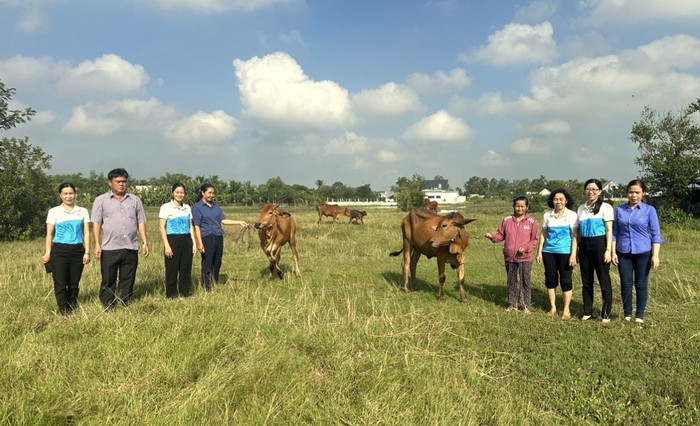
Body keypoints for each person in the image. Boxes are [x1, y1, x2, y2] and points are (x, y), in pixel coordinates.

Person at [92, 168, 149, 310]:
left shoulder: (135, 200)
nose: (121, 184)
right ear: (110, 183)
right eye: (118, 181)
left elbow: (141, 221)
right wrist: (97, 244)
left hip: (130, 246)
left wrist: (145, 242)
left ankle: (125, 301)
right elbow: (96, 223)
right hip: (109, 247)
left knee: (128, 277)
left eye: (124, 181)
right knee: (108, 278)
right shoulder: (101, 200)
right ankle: (108, 303)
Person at [612, 179, 663, 325]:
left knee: (641, 284)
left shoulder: (649, 210)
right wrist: (613, 252)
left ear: (643, 193)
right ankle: (627, 314)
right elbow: (615, 232)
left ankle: (639, 316)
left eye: (637, 192)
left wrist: (655, 255)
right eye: (630, 192)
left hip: (643, 252)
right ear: (627, 193)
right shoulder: (619, 210)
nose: (633, 195)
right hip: (623, 251)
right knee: (626, 283)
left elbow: (656, 234)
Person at [41, 183, 91, 315]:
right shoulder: (54, 211)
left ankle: (72, 307)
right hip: (59, 250)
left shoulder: (82, 211)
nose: (68, 196)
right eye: (65, 194)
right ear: (60, 195)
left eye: (71, 193)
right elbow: (49, 234)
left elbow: (86, 232)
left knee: (74, 283)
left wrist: (87, 252)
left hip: (77, 250)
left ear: (75, 194)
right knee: (60, 283)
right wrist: (48, 253)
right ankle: (64, 312)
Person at [485, 196, 539, 314]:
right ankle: (512, 304)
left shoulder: (531, 222)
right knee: (511, 280)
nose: (519, 208)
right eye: (517, 206)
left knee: (525, 281)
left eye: (522, 206)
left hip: (525, 257)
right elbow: (500, 235)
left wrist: (525, 248)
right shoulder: (507, 220)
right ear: (514, 207)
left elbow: (534, 239)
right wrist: (492, 237)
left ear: (527, 207)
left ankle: (525, 305)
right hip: (510, 257)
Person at [192, 183, 248, 292]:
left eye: (213, 193)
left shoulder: (215, 206)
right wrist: (199, 243)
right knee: (207, 262)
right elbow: (197, 227)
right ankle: (206, 288)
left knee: (217, 262)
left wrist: (239, 222)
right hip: (207, 236)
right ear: (203, 193)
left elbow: (223, 220)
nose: (211, 195)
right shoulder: (197, 207)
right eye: (209, 193)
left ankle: (214, 283)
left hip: (218, 235)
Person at [536, 189, 578, 320]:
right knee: (550, 279)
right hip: (548, 252)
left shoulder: (572, 215)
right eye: (555, 199)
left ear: (566, 200)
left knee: (566, 280)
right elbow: (543, 234)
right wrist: (539, 252)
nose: (558, 201)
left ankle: (566, 310)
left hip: (565, 252)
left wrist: (573, 255)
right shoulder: (547, 215)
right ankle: (553, 307)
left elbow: (575, 236)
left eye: (561, 199)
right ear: (552, 201)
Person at [577, 178, 614, 322]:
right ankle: (587, 311)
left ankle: (606, 314)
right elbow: (579, 231)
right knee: (586, 281)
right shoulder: (581, 208)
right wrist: (577, 249)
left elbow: (609, 230)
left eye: (594, 189)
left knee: (604, 280)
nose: (590, 192)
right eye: (588, 189)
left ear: (599, 191)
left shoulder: (606, 207)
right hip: (585, 246)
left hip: (600, 245)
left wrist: (608, 250)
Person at [158, 183, 197, 298]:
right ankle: (171, 295)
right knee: (172, 269)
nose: (180, 195)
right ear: (172, 193)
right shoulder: (166, 207)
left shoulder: (187, 208)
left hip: (186, 240)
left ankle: (184, 293)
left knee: (186, 268)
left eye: (182, 192)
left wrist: (194, 243)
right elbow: (161, 227)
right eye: (177, 192)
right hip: (172, 239)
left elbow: (191, 227)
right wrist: (167, 246)